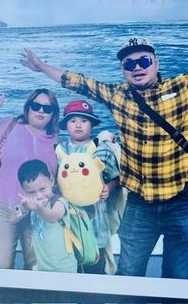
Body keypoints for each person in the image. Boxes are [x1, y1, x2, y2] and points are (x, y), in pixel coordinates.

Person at [21, 23, 188, 279]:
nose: (137, 67)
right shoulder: (118, 95)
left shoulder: (185, 88)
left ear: (156, 63)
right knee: (128, 273)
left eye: (144, 61)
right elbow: (80, 83)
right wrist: (42, 67)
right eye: (129, 64)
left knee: (178, 276)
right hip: (139, 203)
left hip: (181, 201)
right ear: (123, 69)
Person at [0, 88, 59, 269]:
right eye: (36, 106)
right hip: (3, 207)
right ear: (28, 108)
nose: (41, 111)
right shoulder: (10, 125)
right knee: (2, 266)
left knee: (36, 266)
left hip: (39, 211)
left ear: (53, 114)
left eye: (47, 108)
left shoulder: (55, 140)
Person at [56, 99, 119, 274]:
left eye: (84, 120)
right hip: (68, 221)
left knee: (95, 268)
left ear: (92, 124)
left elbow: (115, 178)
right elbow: (55, 180)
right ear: (66, 125)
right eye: (73, 121)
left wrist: (109, 188)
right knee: (70, 268)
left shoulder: (102, 150)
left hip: (96, 222)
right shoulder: (60, 150)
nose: (78, 125)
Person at [17, 159, 77, 273]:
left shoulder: (59, 201)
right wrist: (23, 208)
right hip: (41, 268)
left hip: (65, 268)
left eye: (42, 189)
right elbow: (11, 218)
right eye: (31, 192)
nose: (39, 195)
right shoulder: (31, 204)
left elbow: (53, 217)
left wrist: (39, 209)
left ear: (51, 181)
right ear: (23, 190)